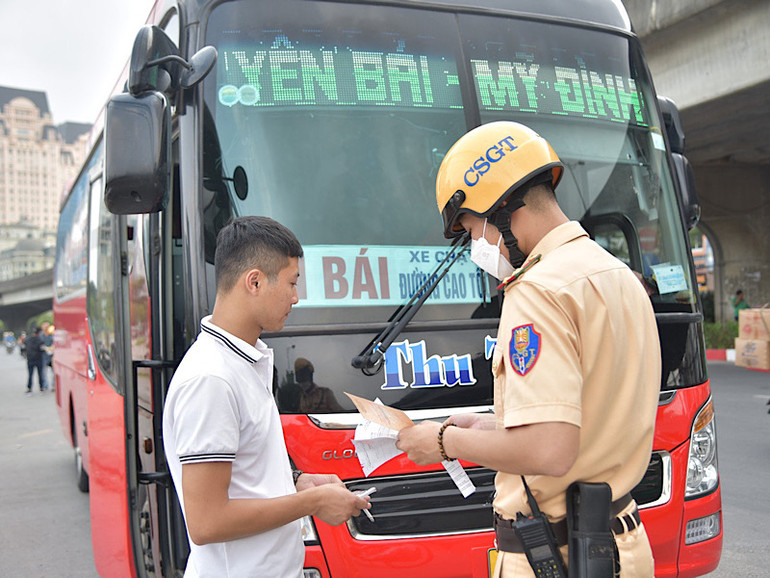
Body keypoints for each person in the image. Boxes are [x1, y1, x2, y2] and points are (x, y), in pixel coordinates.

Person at [396, 122, 661, 577]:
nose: (476, 246)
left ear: (501, 210)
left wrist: (443, 442)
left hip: (557, 554)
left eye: (472, 230)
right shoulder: (615, 273)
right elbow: (586, 414)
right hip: (624, 545)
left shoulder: (539, 290)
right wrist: (487, 424)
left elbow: (549, 450)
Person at [163, 216, 370, 577]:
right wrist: (312, 501)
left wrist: (296, 482)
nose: (296, 297)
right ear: (255, 282)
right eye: (292, 283)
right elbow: (207, 522)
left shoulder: (242, 362)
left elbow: (244, 476)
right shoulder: (211, 379)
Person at [24, 327, 47, 395]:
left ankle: (29, 388)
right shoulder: (40, 340)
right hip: (38, 359)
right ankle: (41, 388)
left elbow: (24, 348)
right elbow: (42, 349)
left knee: (30, 374)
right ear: (39, 332)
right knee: (40, 374)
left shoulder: (27, 339)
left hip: (30, 359)